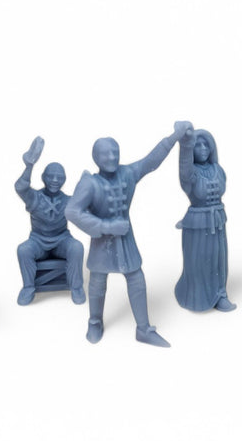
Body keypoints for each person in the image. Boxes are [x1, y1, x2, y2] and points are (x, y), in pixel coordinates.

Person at [66, 121, 192, 347]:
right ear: (96, 158)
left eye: (115, 152)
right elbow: (72, 211)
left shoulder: (127, 173)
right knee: (97, 282)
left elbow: (151, 162)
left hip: (125, 241)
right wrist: (105, 226)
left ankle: (143, 328)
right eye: (106, 154)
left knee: (136, 279)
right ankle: (94, 321)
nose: (112, 157)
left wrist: (174, 137)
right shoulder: (89, 183)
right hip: (102, 243)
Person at [15, 136, 85, 305]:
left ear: (64, 180)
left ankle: (76, 287)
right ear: (43, 177)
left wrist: (87, 183)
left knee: (77, 247)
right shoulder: (34, 197)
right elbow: (20, 187)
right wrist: (29, 165)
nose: (55, 180)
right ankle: (28, 287)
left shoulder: (68, 200)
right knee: (23, 250)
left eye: (59, 177)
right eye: (51, 176)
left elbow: (85, 205)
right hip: (37, 241)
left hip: (62, 240)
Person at [174, 128, 235, 312]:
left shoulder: (218, 170)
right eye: (197, 145)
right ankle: (197, 295)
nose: (202, 149)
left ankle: (220, 294)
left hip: (217, 222)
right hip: (197, 223)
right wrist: (186, 144)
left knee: (219, 260)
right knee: (198, 261)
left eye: (206, 145)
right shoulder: (191, 174)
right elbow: (184, 170)